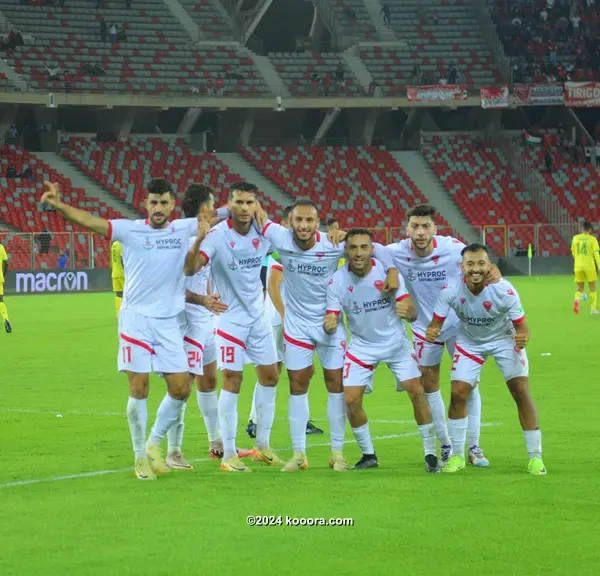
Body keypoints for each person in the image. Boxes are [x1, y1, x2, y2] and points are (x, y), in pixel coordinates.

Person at [40, 178, 213, 481]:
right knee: (140, 387)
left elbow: (221, 217)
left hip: (168, 322)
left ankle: (153, 443)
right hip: (135, 320)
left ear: (172, 205)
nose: (158, 208)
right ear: (146, 204)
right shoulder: (130, 229)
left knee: (181, 388)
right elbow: (90, 221)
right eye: (153, 202)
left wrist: (241, 213)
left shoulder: (182, 229)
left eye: (164, 202)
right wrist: (58, 206)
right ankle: (139, 458)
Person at [255, 198, 398, 472]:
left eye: (310, 220)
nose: (304, 225)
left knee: (336, 386)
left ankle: (337, 453)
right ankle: (299, 454)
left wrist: (391, 270)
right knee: (297, 385)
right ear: (290, 222)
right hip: (297, 326)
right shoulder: (280, 238)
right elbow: (255, 211)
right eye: (299, 220)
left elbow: (375, 248)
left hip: (329, 325)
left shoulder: (333, 244)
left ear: (318, 223)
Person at [373, 204, 490, 467]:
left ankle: (473, 446)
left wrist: (490, 273)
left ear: (435, 229)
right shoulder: (397, 252)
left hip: (458, 325)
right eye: (415, 226)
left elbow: (477, 262)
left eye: (426, 226)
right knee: (430, 386)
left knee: (469, 385)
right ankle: (447, 445)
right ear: (407, 229)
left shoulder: (451, 248)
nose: (421, 231)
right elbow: (373, 248)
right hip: (424, 329)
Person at [184, 181, 281, 473]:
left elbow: (297, 245)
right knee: (233, 381)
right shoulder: (216, 236)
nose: (244, 208)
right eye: (238, 202)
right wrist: (199, 241)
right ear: (230, 205)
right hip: (230, 320)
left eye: (250, 202)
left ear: (257, 205)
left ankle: (262, 445)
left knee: (271, 376)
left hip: (258, 318)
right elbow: (190, 269)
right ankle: (228, 453)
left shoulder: (264, 233)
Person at [324, 229, 440, 472]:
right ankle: (368, 455)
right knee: (351, 399)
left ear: (371, 249)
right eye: (353, 247)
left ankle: (430, 453)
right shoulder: (337, 280)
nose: (358, 253)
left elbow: (412, 311)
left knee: (416, 392)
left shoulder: (388, 274)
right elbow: (332, 313)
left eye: (364, 247)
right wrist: (330, 322)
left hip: (395, 344)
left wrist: (408, 312)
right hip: (362, 346)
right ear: (346, 250)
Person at [426, 244, 546, 476]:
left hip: (504, 339)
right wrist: (432, 331)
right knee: (458, 393)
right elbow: (435, 324)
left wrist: (523, 338)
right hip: (470, 342)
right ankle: (458, 457)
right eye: (470, 264)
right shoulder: (450, 290)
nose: (476, 269)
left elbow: (523, 328)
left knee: (520, 390)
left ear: (489, 265)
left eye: (481, 263)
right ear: (462, 267)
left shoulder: (504, 290)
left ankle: (535, 458)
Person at [246, 205, 324, 438]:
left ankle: (299, 419)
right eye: (294, 222)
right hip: (280, 320)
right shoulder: (281, 252)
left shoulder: (303, 250)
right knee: (272, 370)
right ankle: (254, 420)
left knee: (303, 369)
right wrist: (285, 315)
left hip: (292, 319)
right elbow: (272, 286)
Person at [571, 220, 600, 314]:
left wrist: (578, 260)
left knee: (580, 288)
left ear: (582, 229)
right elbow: (596, 254)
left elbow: (573, 251)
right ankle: (593, 309)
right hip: (589, 266)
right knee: (592, 287)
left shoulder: (575, 238)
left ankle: (577, 300)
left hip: (578, 265)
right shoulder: (593, 239)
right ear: (590, 229)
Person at [110, 240, 124, 317]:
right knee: (127, 293)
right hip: (122, 273)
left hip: (114, 272)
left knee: (118, 294)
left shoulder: (114, 244)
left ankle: (118, 314)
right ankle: (127, 313)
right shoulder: (121, 245)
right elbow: (122, 259)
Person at [0, 241, 11, 333]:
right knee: (0, 300)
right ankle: (5, 319)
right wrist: (3, 275)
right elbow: (6, 263)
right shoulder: (1, 247)